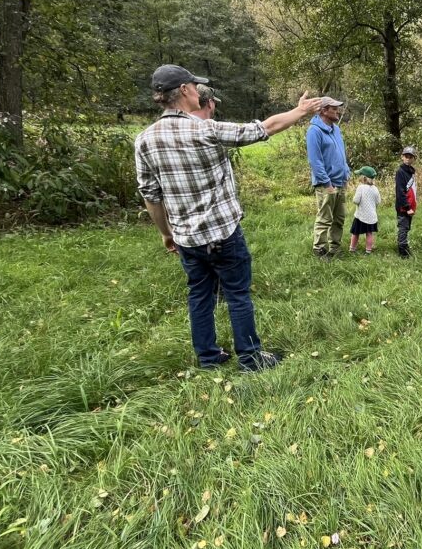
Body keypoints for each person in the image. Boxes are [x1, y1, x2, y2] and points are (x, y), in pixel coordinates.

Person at [135, 64, 321, 372]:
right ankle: (250, 358)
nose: (197, 92)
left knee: (199, 295)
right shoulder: (206, 130)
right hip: (223, 234)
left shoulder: (144, 140)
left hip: (186, 238)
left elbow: (150, 194)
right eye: (194, 86)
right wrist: (300, 111)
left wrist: (166, 233)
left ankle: (208, 357)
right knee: (237, 294)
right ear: (184, 90)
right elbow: (264, 128)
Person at [306, 97, 350, 259]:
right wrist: (327, 184)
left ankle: (335, 248)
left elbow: (341, 153)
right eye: (334, 108)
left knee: (339, 218)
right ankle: (320, 249)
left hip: (341, 182)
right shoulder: (314, 131)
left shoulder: (336, 129)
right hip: (327, 184)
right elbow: (315, 161)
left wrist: (346, 173)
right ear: (324, 110)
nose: (338, 111)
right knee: (325, 218)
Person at [350, 166, 381, 255]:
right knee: (369, 233)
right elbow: (378, 201)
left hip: (360, 216)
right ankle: (368, 251)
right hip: (371, 216)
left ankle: (352, 249)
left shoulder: (361, 187)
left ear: (364, 178)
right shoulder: (375, 188)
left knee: (355, 233)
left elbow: (356, 200)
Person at [395, 146, 418, 258]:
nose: (408, 159)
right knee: (403, 228)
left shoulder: (411, 172)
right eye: (406, 156)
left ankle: (405, 246)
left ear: (414, 159)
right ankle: (402, 251)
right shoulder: (400, 172)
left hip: (410, 205)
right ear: (402, 157)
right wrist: (407, 207)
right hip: (403, 206)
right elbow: (400, 192)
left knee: (407, 227)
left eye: (411, 157)